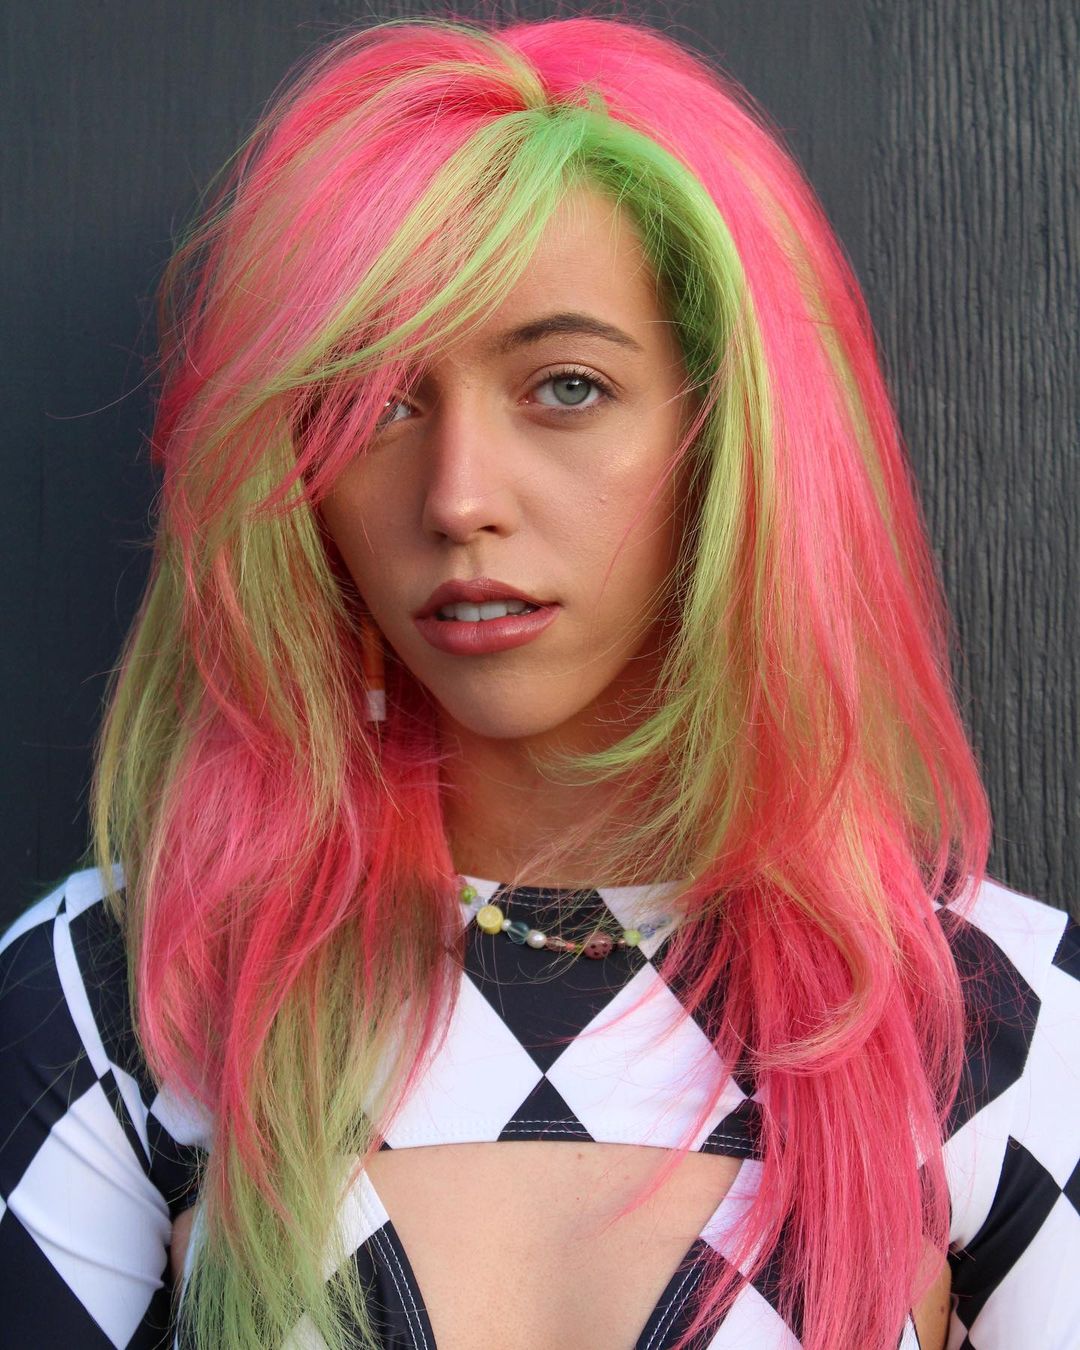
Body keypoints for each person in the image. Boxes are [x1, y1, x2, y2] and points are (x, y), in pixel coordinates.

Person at [0, 13, 1076, 1350]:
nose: (458, 497)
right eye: (373, 401)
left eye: (565, 387)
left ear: (729, 433)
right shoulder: (126, 995)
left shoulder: (1000, 1019)